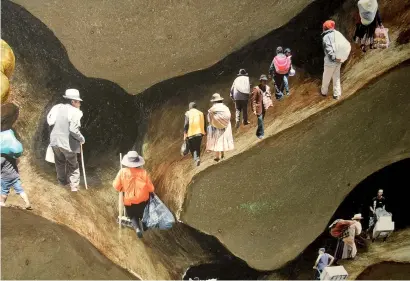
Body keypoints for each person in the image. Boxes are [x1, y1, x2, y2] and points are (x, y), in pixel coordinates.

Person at [47, 89, 85, 192]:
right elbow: (73, 130)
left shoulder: (57, 107)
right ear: (73, 102)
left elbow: (50, 121)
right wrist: (81, 138)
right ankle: (74, 188)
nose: (80, 103)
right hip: (67, 143)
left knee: (59, 162)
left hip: (54, 141)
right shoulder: (76, 112)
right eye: (78, 101)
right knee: (73, 165)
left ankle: (62, 183)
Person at [113, 151, 154, 238]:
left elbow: (116, 186)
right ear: (138, 162)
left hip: (129, 201)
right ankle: (144, 223)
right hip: (143, 200)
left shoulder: (122, 172)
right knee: (141, 213)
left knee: (132, 215)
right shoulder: (143, 172)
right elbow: (151, 188)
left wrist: (122, 188)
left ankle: (137, 229)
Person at [206, 93, 234, 162]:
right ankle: (222, 154)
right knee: (223, 138)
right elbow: (229, 115)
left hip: (216, 126)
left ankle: (217, 156)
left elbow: (209, 119)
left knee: (217, 139)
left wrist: (215, 122)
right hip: (226, 125)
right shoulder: (225, 107)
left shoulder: (212, 109)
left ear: (214, 101)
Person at [320, 20, 342, 100]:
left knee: (326, 77)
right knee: (336, 76)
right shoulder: (338, 34)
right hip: (339, 59)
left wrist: (334, 58)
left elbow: (329, 50)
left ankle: (324, 92)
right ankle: (337, 94)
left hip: (330, 61)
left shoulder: (326, 37)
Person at [184, 102, 205, 167]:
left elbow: (186, 124)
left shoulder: (188, 113)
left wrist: (185, 133)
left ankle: (196, 159)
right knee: (197, 147)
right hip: (199, 133)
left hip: (191, 133)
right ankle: (197, 158)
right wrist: (204, 131)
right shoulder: (201, 113)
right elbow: (204, 123)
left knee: (192, 148)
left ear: (190, 107)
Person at [251, 75, 272, 139]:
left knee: (261, 120)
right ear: (260, 81)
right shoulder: (256, 89)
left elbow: (269, 95)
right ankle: (261, 134)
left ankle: (258, 132)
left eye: (265, 80)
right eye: (263, 81)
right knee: (260, 119)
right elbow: (253, 100)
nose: (265, 82)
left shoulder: (267, 87)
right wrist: (254, 109)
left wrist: (270, 103)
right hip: (258, 108)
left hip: (264, 106)